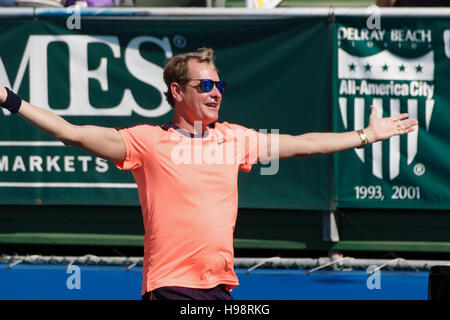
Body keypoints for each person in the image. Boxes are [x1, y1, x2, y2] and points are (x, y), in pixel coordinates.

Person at [0, 47, 418, 300]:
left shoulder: (235, 139)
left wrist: (365, 135)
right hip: (171, 286)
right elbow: (70, 133)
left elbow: (303, 144)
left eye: (218, 86)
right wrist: (8, 97)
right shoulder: (147, 141)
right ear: (177, 92)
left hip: (220, 286)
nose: (216, 92)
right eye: (205, 86)